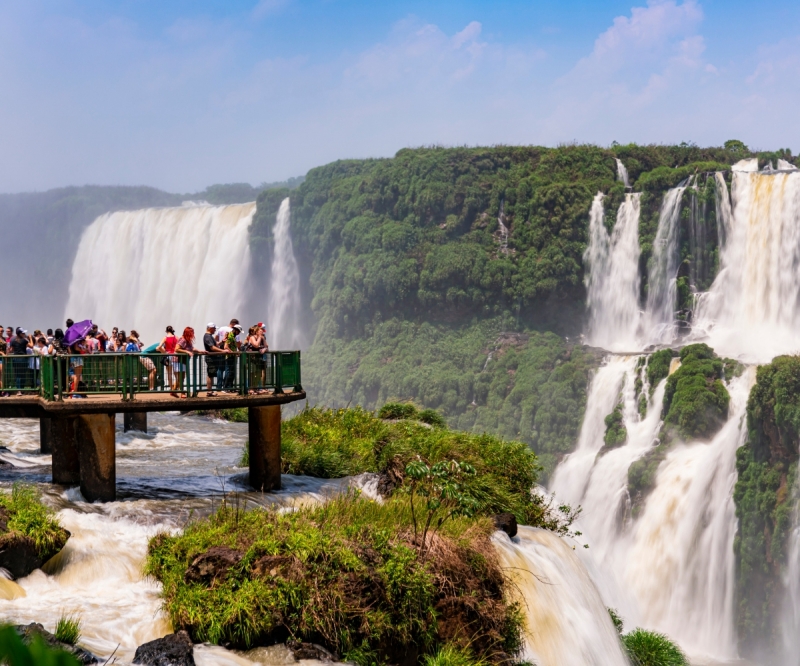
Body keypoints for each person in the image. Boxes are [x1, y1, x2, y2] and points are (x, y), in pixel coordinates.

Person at [173, 327, 199, 398]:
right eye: (192, 333)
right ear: (188, 333)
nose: (193, 334)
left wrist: (200, 351)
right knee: (181, 377)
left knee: (182, 377)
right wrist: (187, 351)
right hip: (179, 360)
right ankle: (182, 393)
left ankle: (173, 390)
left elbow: (191, 348)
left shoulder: (187, 340)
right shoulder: (183, 339)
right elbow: (177, 349)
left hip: (183, 361)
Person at [203, 323, 224, 396]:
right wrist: (222, 351)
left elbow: (215, 345)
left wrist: (222, 342)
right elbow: (212, 347)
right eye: (214, 328)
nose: (215, 330)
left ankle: (210, 391)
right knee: (210, 374)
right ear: (210, 328)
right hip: (210, 358)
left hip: (213, 358)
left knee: (211, 374)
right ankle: (209, 391)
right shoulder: (207, 336)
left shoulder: (209, 336)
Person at [8, 328, 30, 395]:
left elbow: (11, 350)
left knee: (17, 375)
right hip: (23, 359)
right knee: (23, 374)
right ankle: (22, 389)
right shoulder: (24, 340)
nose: (24, 334)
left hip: (16, 359)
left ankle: (19, 390)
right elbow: (31, 345)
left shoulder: (12, 339)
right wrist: (30, 338)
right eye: (23, 333)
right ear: (20, 333)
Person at [157, 326, 179, 391]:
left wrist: (164, 352)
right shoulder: (176, 337)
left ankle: (172, 388)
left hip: (168, 356)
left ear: (166, 331)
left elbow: (159, 347)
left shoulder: (165, 338)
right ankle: (176, 386)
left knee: (169, 373)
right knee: (176, 373)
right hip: (175, 356)